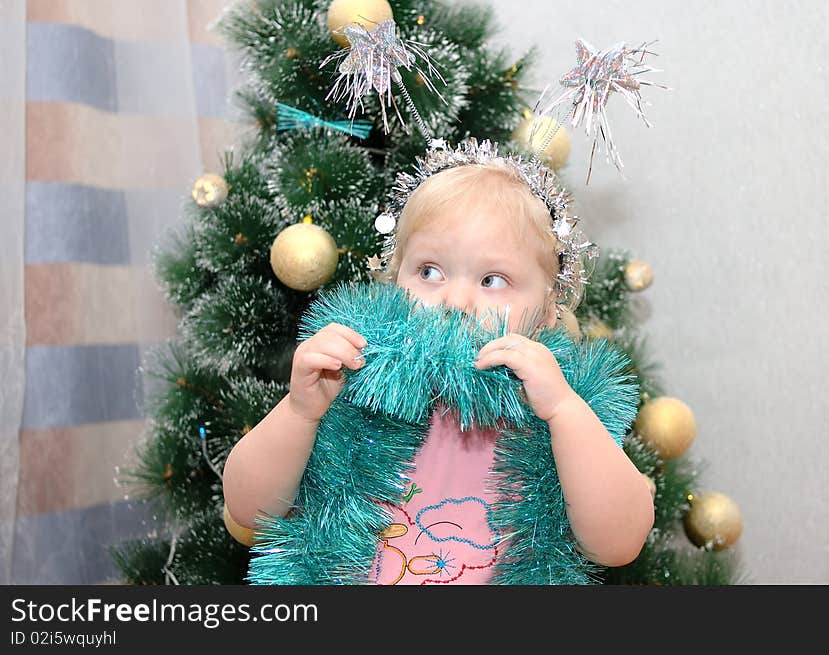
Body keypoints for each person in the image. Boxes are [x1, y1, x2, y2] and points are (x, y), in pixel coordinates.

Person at [222, 140, 654, 584]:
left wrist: (564, 411)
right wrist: (299, 413)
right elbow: (248, 508)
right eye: (430, 271)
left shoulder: (555, 411)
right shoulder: (351, 382)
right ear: (395, 279)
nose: (455, 300)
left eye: (492, 280)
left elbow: (618, 543)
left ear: (547, 309)